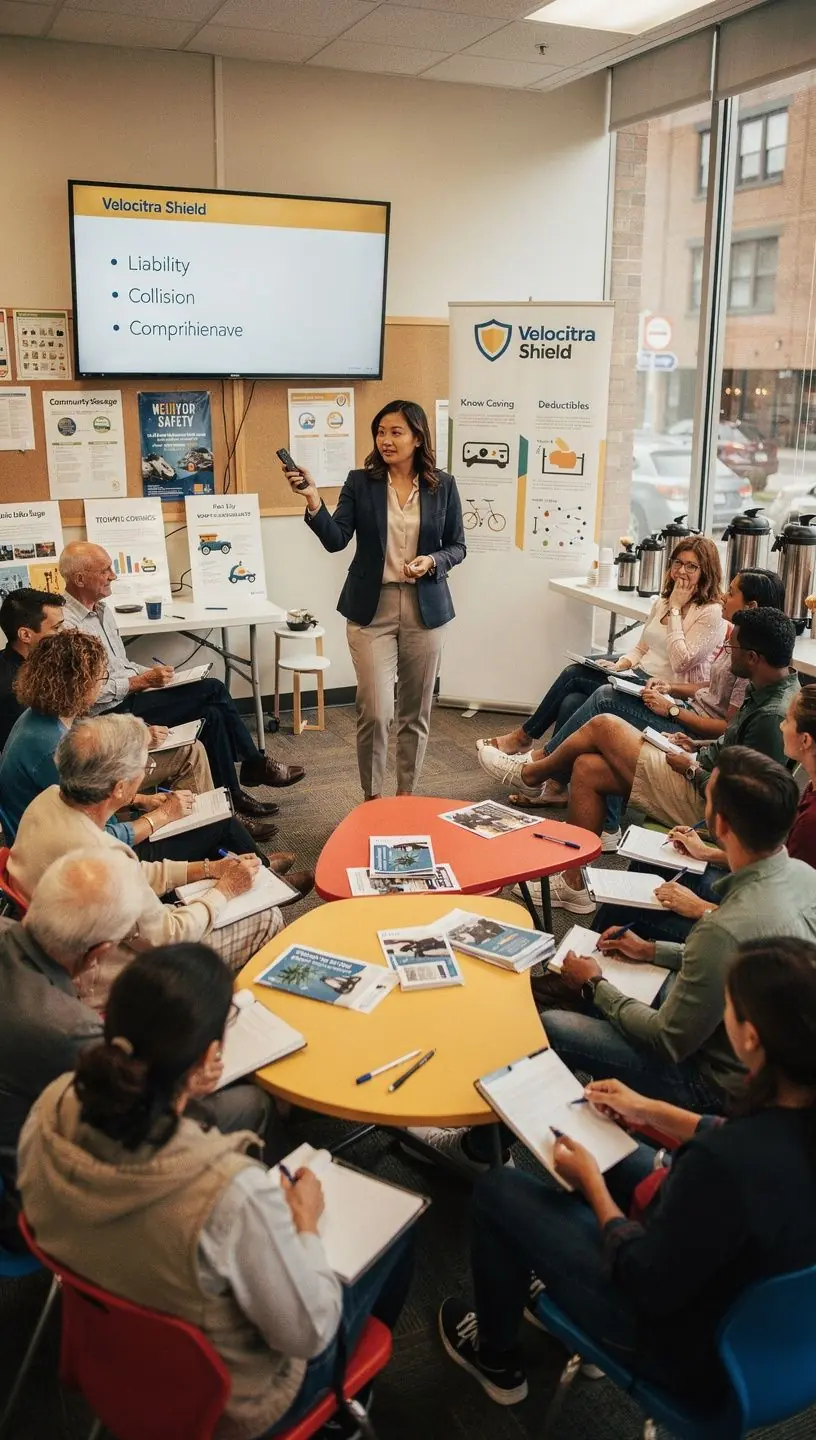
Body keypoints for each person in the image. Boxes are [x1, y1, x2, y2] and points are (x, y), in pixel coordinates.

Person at [17, 943, 414, 1438]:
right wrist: (306, 1224)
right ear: (208, 1057)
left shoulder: (54, 1103)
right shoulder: (227, 1192)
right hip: (230, 1404)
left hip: (105, 1350)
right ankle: (340, 1402)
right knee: (399, 1229)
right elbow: (306, 1332)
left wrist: (182, 1099)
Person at [438, 937, 816, 1409]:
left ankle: (495, 1355)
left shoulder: (724, 1162)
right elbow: (721, 1134)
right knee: (624, 1155)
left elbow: (644, 1279)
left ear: (752, 1036)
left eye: (728, 1007)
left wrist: (594, 1184)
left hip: (685, 1352)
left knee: (499, 1191)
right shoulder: (789, 1112)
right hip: (773, 1335)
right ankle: (554, 1268)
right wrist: (649, 1110)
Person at [0, 854, 270, 1241]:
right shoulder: (71, 1031)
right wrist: (188, 1085)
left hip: (25, 1137)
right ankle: (244, 1221)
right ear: (97, 954)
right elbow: (133, 1110)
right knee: (249, 1102)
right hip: (38, 1193)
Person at [544, 747, 816, 1112]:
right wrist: (652, 950)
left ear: (719, 824)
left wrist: (596, 986)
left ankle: (479, 1149)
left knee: (556, 1026)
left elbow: (667, 1041)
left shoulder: (721, 929)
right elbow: (736, 956)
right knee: (635, 977)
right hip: (770, 1064)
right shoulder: (806, 878)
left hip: (715, 1086)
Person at [479, 607, 799, 913]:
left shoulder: (771, 717)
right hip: (698, 765)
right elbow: (733, 745)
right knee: (588, 768)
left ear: (754, 658)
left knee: (605, 723)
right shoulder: (768, 691)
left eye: (733, 646)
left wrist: (691, 767)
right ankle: (573, 884)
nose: (728, 651)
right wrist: (697, 745)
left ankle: (531, 774)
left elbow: (746, 802)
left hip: (705, 796)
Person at [9, 716, 307, 1006]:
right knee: (268, 919)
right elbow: (169, 934)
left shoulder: (47, 801)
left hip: (61, 951)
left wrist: (208, 869)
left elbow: (134, 874)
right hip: (111, 979)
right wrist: (224, 890)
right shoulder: (106, 858)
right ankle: (244, 1020)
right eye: (143, 767)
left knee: (214, 887)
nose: (145, 771)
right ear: (119, 788)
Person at [480, 566, 783, 827]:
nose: (723, 597)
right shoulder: (744, 654)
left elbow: (717, 715)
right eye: (677, 563)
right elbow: (711, 692)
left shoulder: (732, 642)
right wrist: (669, 689)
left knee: (603, 703)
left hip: (690, 742)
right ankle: (578, 858)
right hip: (685, 722)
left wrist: (675, 714)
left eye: (730, 593)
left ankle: (533, 766)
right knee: (581, 728)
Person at [285, 400, 466, 799]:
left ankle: (406, 800)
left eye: (396, 432)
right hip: (372, 611)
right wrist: (313, 500)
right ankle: (372, 800)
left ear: (418, 438)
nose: (386, 440)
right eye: (380, 432)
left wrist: (432, 560)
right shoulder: (360, 482)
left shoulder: (443, 484)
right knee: (376, 711)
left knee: (415, 715)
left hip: (426, 609)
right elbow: (336, 540)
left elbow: (457, 546)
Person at [58, 541, 300, 838]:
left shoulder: (102, 611)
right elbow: (86, 693)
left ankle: (230, 799)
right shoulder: (65, 625)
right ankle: (253, 764)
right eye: (105, 570)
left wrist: (147, 674)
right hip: (107, 715)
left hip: (129, 696)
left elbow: (118, 664)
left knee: (211, 712)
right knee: (212, 689)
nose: (113, 576)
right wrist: (140, 682)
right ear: (80, 579)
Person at [480, 536, 725, 769]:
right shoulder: (662, 601)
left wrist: (675, 610)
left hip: (664, 691)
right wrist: (622, 663)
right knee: (572, 699)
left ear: (706, 573)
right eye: (678, 563)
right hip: (637, 675)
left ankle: (528, 744)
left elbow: (681, 661)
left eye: (692, 567)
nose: (682, 571)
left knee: (575, 674)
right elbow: (641, 647)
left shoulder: (710, 612)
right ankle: (555, 783)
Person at [0, 628, 212, 843]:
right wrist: (162, 815)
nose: (102, 684)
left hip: (61, 833)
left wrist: (139, 800)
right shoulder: (53, 750)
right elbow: (101, 841)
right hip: (65, 856)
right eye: (102, 676)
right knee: (221, 832)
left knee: (189, 750)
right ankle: (202, 838)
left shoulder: (42, 715)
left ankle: (201, 832)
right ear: (81, 685)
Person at [0, 587, 66, 750]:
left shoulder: (40, 663)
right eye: (56, 628)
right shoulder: (16, 692)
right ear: (26, 635)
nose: (64, 634)